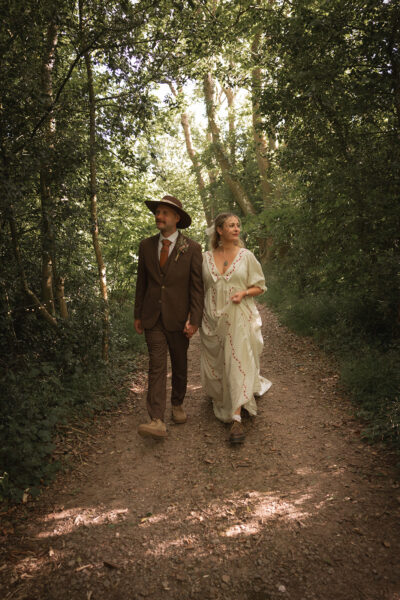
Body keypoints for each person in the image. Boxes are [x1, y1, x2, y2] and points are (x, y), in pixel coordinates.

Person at [134, 195, 204, 439]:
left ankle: (177, 403)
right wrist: (138, 313)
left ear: (176, 218)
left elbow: (197, 288)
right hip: (152, 317)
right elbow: (141, 283)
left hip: (178, 318)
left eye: (164, 213)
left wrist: (194, 319)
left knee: (180, 363)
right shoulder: (145, 246)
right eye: (157, 212)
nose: (159, 217)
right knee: (156, 366)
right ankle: (156, 419)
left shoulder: (192, 248)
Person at [200, 212, 272, 444]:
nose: (237, 229)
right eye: (231, 225)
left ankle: (236, 419)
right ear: (219, 230)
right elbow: (199, 288)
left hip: (239, 316)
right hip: (211, 318)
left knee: (237, 360)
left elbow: (260, 286)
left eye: (238, 225)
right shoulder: (205, 258)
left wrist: (244, 292)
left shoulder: (247, 257)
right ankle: (226, 398)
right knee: (220, 363)